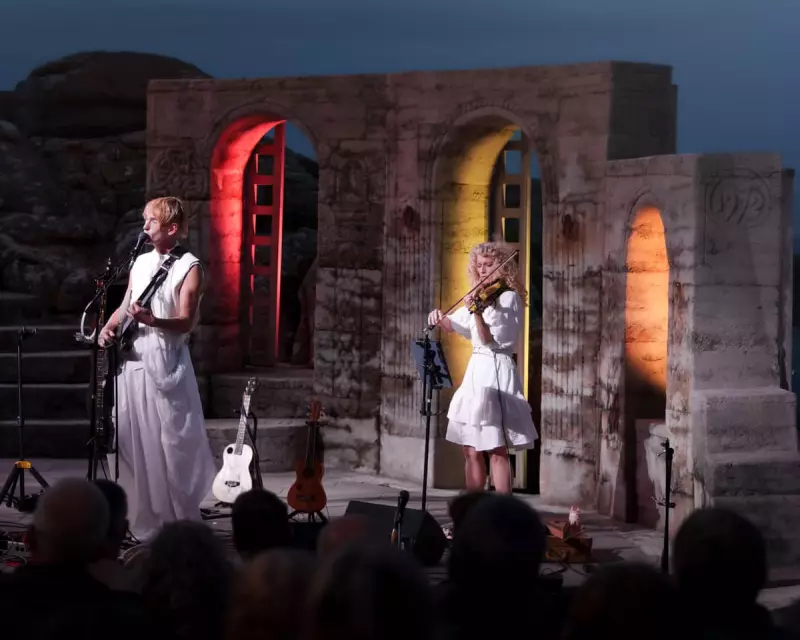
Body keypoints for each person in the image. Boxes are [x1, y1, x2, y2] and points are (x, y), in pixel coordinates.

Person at [98, 196, 215, 542]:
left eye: (151, 221)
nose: (144, 227)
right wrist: (109, 327)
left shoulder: (190, 267)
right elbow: (125, 305)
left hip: (167, 363)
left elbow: (186, 321)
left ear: (172, 228)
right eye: (145, 220)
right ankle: (143, 515)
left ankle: (179, 522)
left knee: (172, 445)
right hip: (133, 363)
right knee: (136, 440)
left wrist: (154, 320)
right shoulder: (140, 262)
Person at [427, 241, 538, 494]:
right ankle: (473, 508)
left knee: (495, 446)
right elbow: (453, 325)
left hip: (496, 367)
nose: (483, 271)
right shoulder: (480, 295)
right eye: (479, 266)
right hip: (476, 369)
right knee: (470, 447)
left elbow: (490, 339)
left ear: (502, 266)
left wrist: (476, 311)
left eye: (489, 265)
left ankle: (503, 512)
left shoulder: (508, 297)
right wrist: (438, 316)